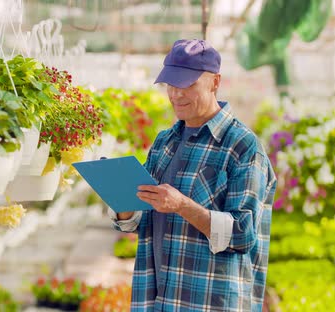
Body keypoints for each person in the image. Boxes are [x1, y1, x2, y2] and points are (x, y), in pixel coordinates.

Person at [108, 39, 277, 311]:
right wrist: (123, 203)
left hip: (209, 302)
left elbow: (243, 234)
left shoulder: (242, 147)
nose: (176, 94)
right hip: (157, 299)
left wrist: (182, 205)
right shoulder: (165, 142)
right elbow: (141, 221)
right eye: (171, 85)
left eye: (187, 84)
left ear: (215, 82)